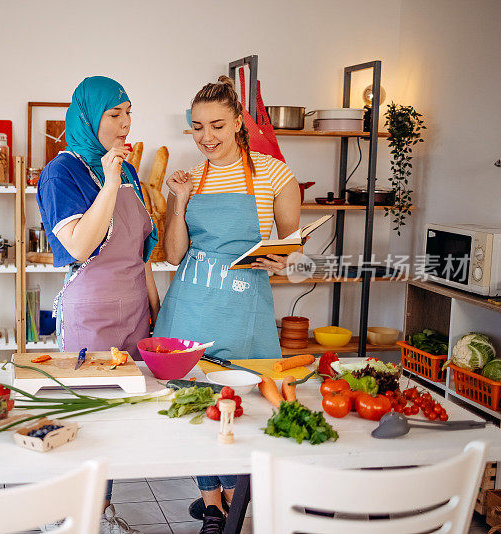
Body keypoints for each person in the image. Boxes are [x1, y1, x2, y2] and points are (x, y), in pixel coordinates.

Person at [154, 76, 301, 533]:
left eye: (217, 125)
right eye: (197, 127)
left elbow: (289, 246)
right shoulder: (189, 176)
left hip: (242, 308)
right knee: (195, 402)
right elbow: (174, 254)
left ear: (239, 122)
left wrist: (281, 262)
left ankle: (235, 504)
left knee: (242, 404)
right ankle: (212, 506)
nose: (206, 138)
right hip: (191, 303)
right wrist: (177, 203)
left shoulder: (276, 175)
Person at [36, 75, 159, 534]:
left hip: (134, 313)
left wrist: (155, 306)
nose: (126, 125)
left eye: (129, 112)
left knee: (122, 423)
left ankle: (99, 512)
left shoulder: (125, 170)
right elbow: (81, 246)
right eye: (114, 114)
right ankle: (67, 517)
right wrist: (108, 181)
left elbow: (141, 253)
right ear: (88, 117)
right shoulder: (61, 172)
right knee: (87, 420)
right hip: (92, 312)